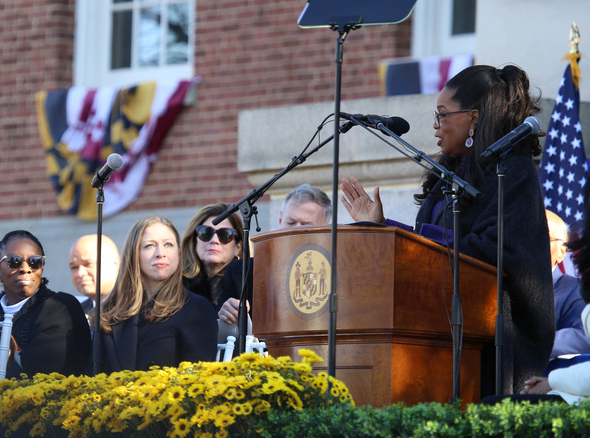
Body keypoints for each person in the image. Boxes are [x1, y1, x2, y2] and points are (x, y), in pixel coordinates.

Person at [340, 65, 554, 395]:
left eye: (442, 115)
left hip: (492, 341)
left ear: (474, 117)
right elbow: (429, 248)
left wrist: (420, 245)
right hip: (440, 335)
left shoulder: (512, 171)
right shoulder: (447, 176)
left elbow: (498, 249)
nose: (435, 126)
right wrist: (383, 228)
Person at [94, 216, 217, 372]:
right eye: (150, 245)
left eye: (168, 244)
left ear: (178, 254)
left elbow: (198, 379)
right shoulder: (110, 312)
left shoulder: (196, 308)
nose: (160, 253)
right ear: (134, 254)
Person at [217, 183, 332, 325]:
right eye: (290, 222)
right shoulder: (241, 272)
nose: (295, 230)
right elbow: (220, 329)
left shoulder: (335, 273)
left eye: (305, 224)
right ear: (280, 220)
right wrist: (225, 312)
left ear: (325, 229)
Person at [0, 230, 91, 378]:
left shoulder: (61, 307)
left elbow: (45, 368)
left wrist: (10, 358)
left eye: (35, 262)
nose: (25, 268)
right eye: (13, 261)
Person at [546, 209, 590, 358]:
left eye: (541, 237)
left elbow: (584, 337)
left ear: (562, 252)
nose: (529, 244)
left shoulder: (576, 290)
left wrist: (526, 344)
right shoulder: (496, 284)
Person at [181, 203, 243, 308]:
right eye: (205, 232)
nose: (214, 241)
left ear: (238, 247)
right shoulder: (176, 286)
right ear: (194, 241)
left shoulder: (248, 287)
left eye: (225, 234)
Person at [68, 234, 120, 314]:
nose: (80, 273)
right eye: (74, 267)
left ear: (116, 263)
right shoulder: (74, 314)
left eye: (88, 264)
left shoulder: (137, 309)